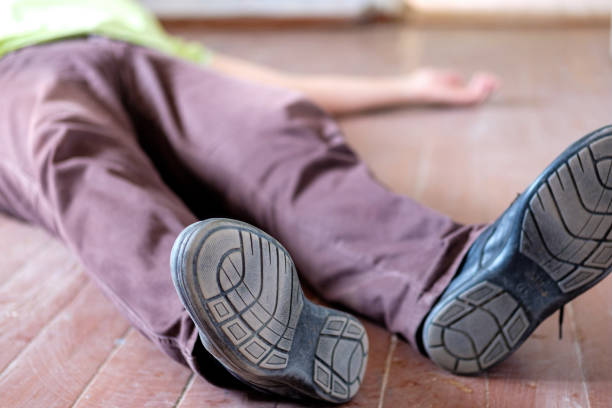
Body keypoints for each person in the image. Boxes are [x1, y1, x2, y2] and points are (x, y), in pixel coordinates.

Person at [2, 0, 610, 403]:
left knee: (271, 126)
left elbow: (256, 82)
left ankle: (453, 276)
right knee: (73, 156)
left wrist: (406, 86)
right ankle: (236, 333)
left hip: (143, 60)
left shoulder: (112, 8)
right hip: (16, 76)